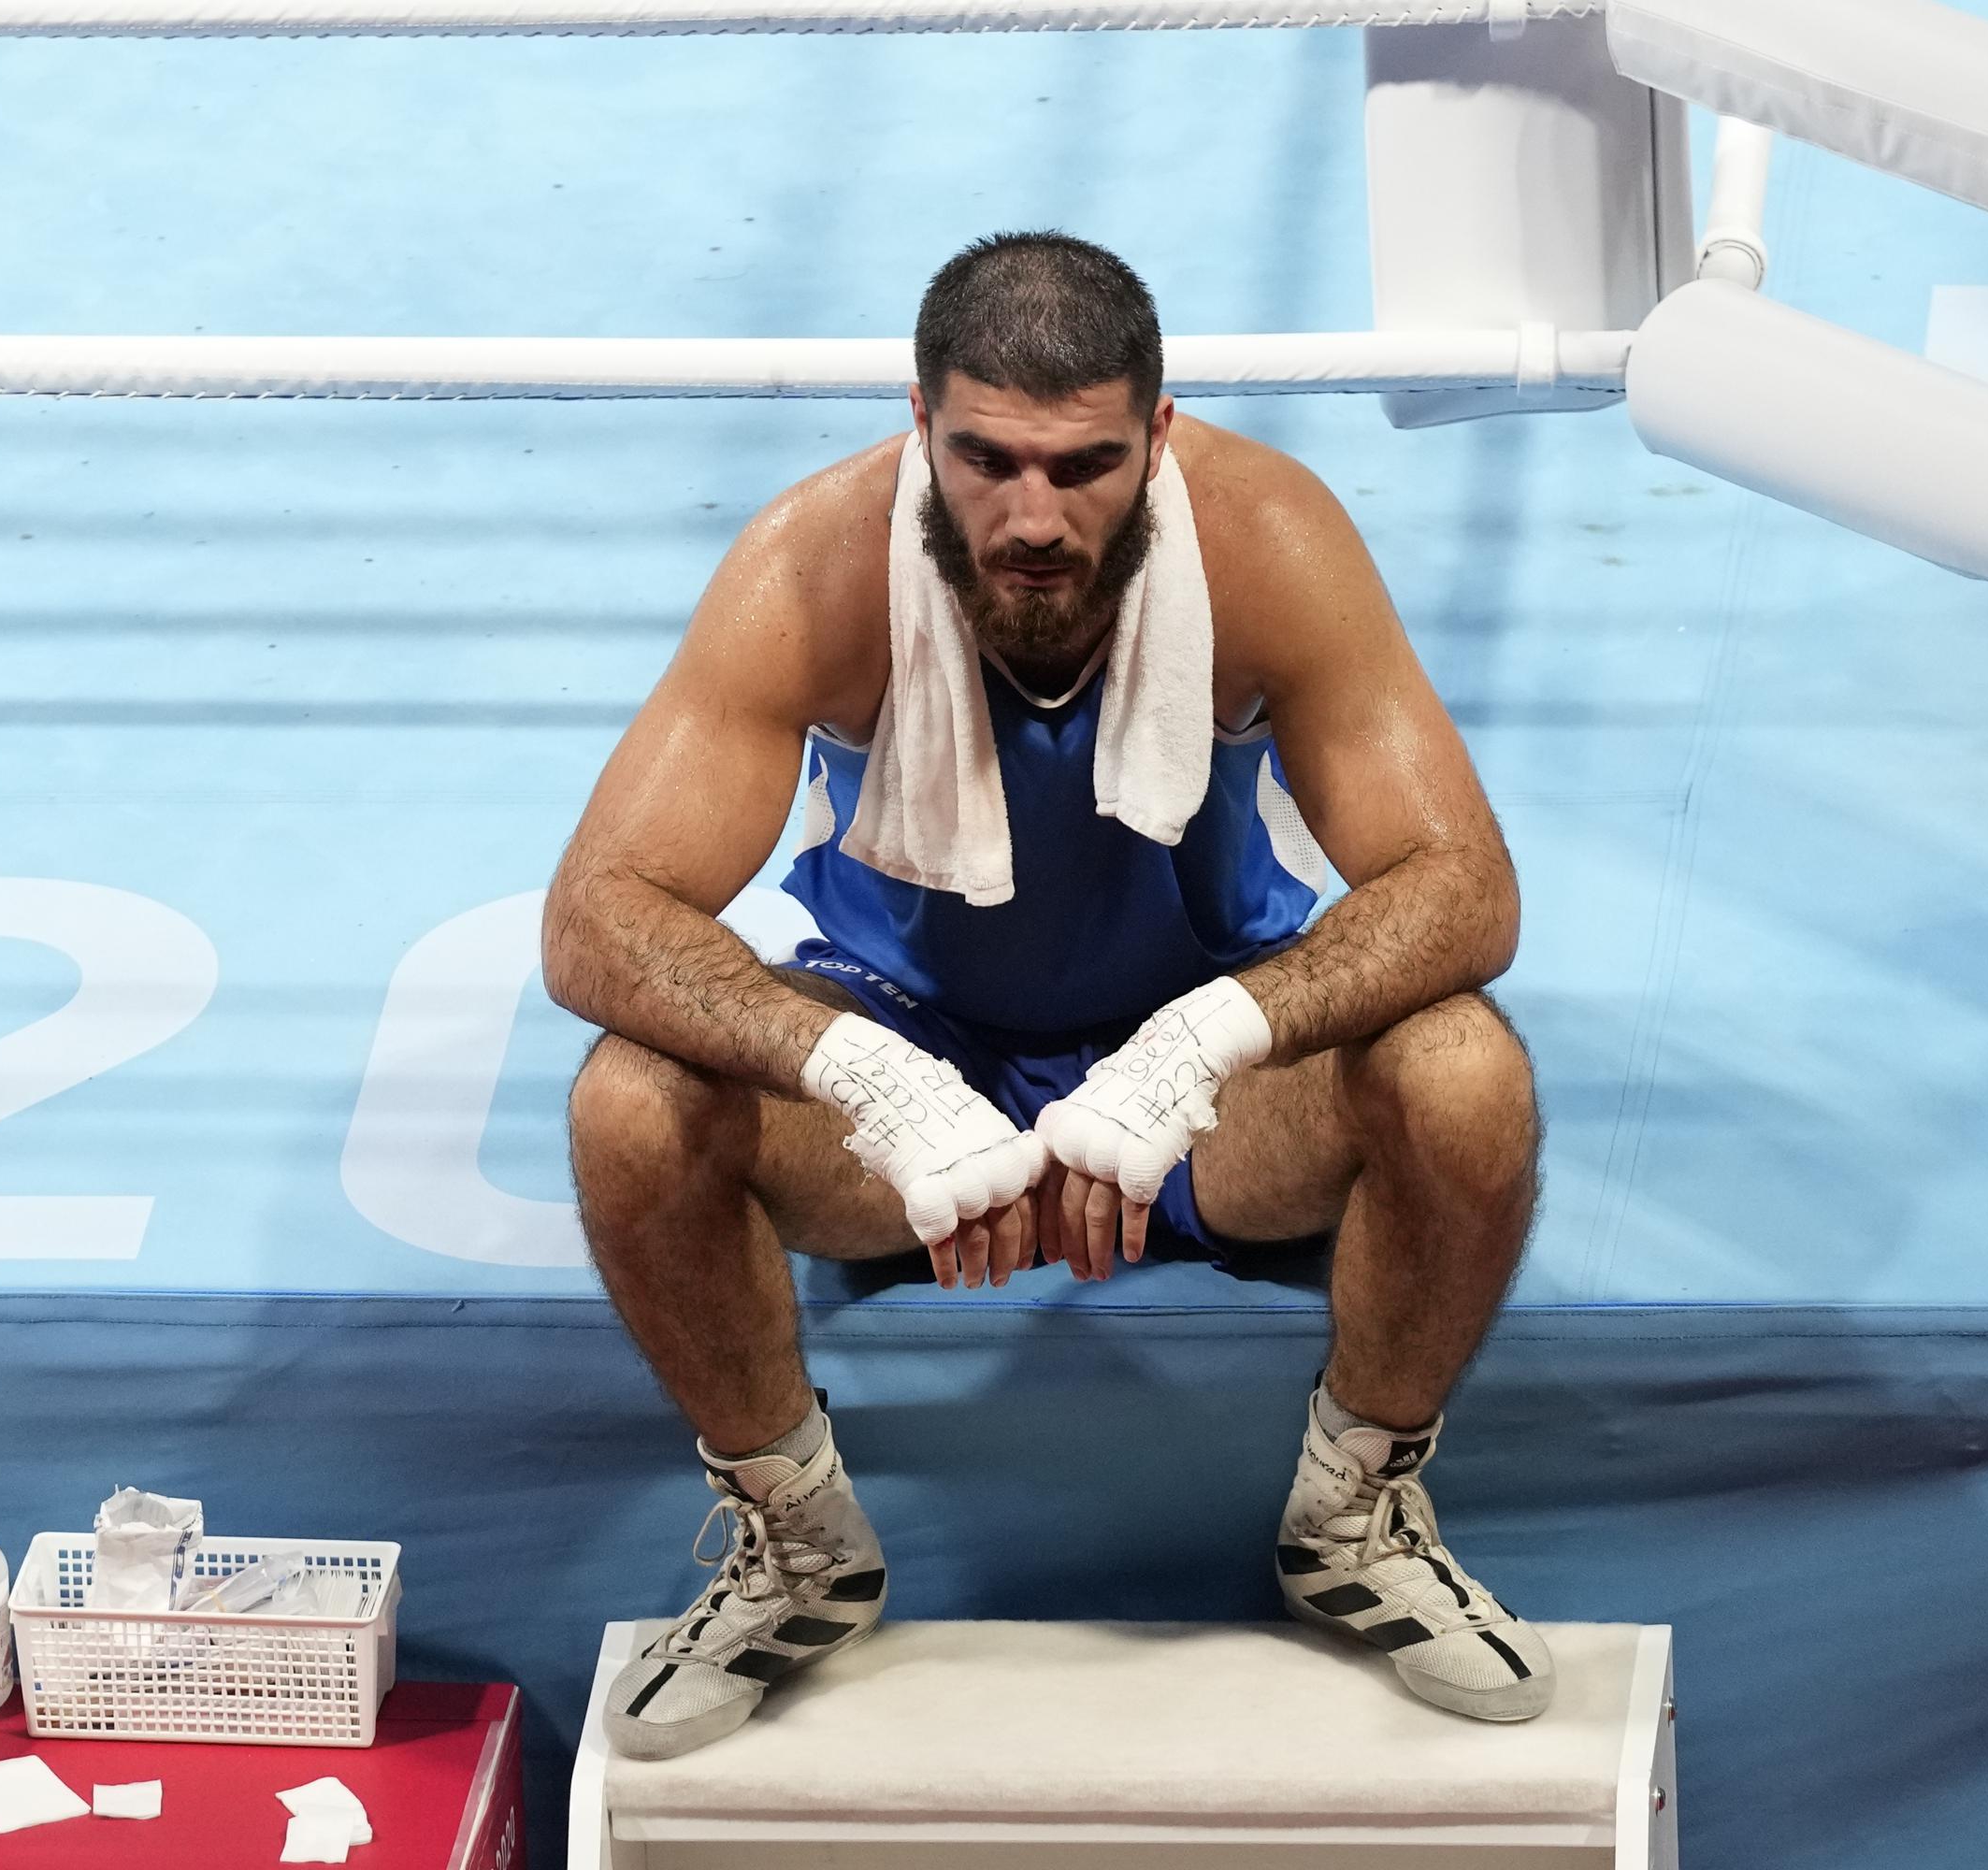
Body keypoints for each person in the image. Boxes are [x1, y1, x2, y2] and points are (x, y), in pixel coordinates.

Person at [544, 231, 1548, 1762]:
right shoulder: (812, 567)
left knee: (1464, 1069)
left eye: (1082, 465)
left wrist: (1195, 1052)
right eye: (985, 460)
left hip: (1213, 1082)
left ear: (1157, 435)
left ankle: (1355, 1518)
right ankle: (797, 1544)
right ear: (919, 425)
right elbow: (596, 919)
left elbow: (1462, 884)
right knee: (632, 1097)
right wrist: (871, 1080)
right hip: (911, 1053)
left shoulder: (1269, 535)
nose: (1030, 517)